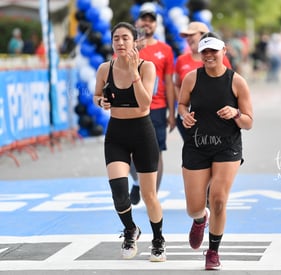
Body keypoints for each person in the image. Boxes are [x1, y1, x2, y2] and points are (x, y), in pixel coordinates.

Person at [177, 32, 253, 270]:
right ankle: (200, 220)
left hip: (227, 146)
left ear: (224, 51)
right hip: (197, 145)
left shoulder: (236, 81)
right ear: (200, 54)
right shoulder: (191, 78)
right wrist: (184, 116)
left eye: (213, 51)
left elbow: (249, 121)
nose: (209, 55)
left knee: (219, 199)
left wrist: (236, 114)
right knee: (194, 206)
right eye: (205, 51)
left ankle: (213, 251)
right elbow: (181, 104)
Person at [93, 22, 166, 262]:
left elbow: (145, 103)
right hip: (117, 134)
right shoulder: (105, 68)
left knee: (149, 195)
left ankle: (158, 239)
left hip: (142, 132)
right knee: (119, 194)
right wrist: (101, 102)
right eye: (116, 38)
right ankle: (130, 230)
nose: (121, 43)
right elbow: (97, 96)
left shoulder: (148, 67)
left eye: (126, 38)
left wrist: (134, 72)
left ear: (135, 42)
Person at [130, 9, 176, 205]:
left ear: (156, 25)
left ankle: (153, 197)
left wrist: (172, 113)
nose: (147, 24)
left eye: (151, 21)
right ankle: (137, 182)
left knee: (156, 152)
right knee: (131, 151)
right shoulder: (128, 47)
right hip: (131, 105)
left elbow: (169, 81)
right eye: (144, 20)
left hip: (156, 107)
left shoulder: (165, 49)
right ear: (137, 22)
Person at [175, 21, 232, 139]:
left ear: (203, 35)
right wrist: (183, 107)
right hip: (189, 117)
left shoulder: (220, 58)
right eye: (186, 36)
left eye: (191, 35)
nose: (188, 39)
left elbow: (229, 84)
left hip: (214, 117)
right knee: (192, 150)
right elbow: (176, 85)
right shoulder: (181, 59)